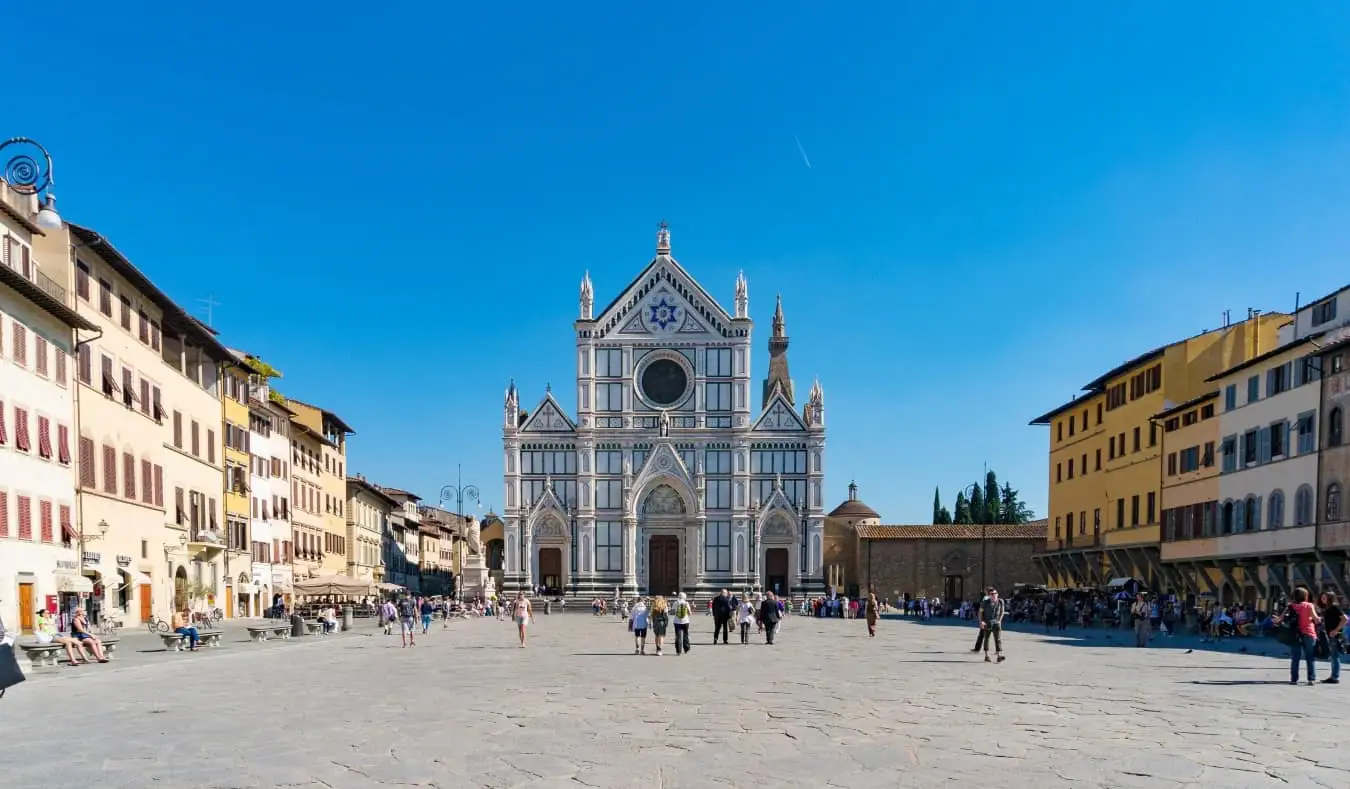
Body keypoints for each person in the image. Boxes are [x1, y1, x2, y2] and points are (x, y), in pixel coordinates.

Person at [1279, 587, 1321, 685]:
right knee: (1310, 657)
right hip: (1308, 633)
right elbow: (1316, 619)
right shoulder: (1309, 605)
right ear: (1305, 596)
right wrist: (1319, 619)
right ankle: (1311, 679)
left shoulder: (1290, 606)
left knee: (1295, 657)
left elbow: (1281, 618)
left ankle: (1294, 679)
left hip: (1294, 634)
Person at [1318, 591, 1344, 685]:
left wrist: (1336, 630)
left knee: (1335, 656)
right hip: (1329, 635)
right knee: (1333, 656)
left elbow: (1345, 619)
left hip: (1334, 635)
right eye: (1322, 597)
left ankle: (1335, 677)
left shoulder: (1334, 607)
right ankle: (1333, 675)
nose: (1323, 599)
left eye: (1325, 597)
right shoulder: (1327, 608)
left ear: (1330, 598)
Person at [979, 588, 1006, 663]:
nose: (993, 595)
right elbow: (980, 612)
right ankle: (986, 655)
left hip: (996, 623)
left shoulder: (1000, 601)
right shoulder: (985, 602)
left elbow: (1002, 611)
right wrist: (981, 621)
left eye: (995, 593)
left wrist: (1000, 620)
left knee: (998, 639)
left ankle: (999, 655)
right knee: (986, 639)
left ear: (997, 594)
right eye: (992, 594)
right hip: (987, 622)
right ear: (989, 595)